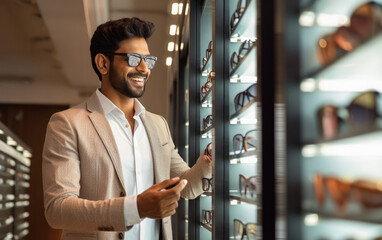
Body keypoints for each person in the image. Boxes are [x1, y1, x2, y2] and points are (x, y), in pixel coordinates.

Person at [42, 17, 212, 240]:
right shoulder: (67, 123)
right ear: (103, 63)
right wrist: (137, 208)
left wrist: (211, 154)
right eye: (133, 59)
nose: (144, 69)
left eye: (148, 60)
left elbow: (186, 186)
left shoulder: (157, 124)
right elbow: (58, 210)